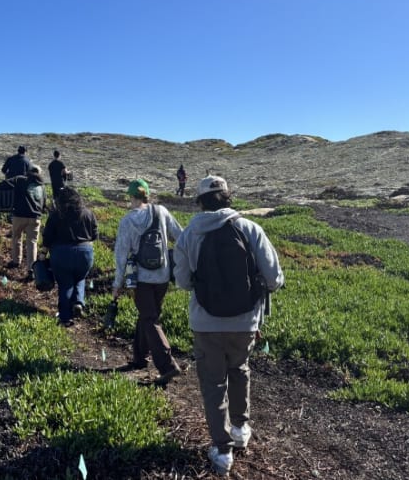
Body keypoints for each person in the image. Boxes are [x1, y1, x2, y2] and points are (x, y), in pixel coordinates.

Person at [172, 175, 284, 476]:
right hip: (245, 321)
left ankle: (222, 452)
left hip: (205, 322)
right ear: (227, 196)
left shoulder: (189, 234)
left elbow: (182, 281)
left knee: (213, 384)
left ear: (200, 201)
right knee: (239, 369)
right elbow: (274, 278)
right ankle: (240, 429)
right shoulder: (250, 229)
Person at [112, 178, 183, 385]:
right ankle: (139, 358)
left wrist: (117, 283)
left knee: (149, 318)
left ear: (131, 197)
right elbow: (181, 236)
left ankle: (168, 366)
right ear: (147, 195)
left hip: (141, 278)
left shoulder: (127, 221)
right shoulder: (161, 211)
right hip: (163, 276)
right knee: (148, 315)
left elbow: (121, 254)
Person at [42, 187, 98, 327]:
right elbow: (94, 235)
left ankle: (65, 318)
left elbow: (48, 236)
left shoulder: (56, 214)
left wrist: (43, 253)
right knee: (80, 277)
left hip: (62, 253)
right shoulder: (88, 213)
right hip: (85, 252)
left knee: (65, 284)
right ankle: (78, 302)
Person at [6, 165, 47, 276]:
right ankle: (31, 269)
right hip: (35, 217)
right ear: (39, 173)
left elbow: (7, 184)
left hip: (19, 215)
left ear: (28, 171)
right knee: (32, 242)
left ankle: (16, 261)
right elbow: (44, 203)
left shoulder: (20, 180)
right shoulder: (42, 186)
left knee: (16, 237)